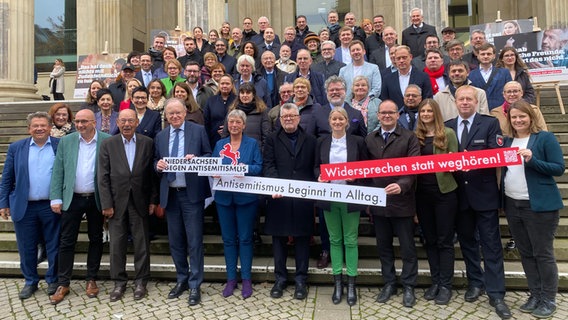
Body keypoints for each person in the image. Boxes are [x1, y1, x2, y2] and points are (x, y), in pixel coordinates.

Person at [445, 85, 512, 320]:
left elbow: (497, 154)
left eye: (468, 99)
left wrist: (469, 160)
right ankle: (476, 282)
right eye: (461, 99)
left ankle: (496, 293)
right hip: (459, 197)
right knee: (467, 243)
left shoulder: (490, 123)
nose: (464, 102)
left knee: (491, 245)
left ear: (476, 102)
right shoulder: (448, 126)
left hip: (484, 195)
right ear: (455, 102)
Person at [502, 100, 564, 318]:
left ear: (531, 117)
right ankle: (535, 294)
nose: (518, 120)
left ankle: (548, 298)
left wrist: (532, 159)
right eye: (514, 117)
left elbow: (558, 168)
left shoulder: (544, 138)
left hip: (539, 206)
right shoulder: (507, 141)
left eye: (522, 116)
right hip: (512, 203)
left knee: (543, 253)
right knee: (527, 253)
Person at [47, 109, 110, 305]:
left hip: (96, 199)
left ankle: (91, 278)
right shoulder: (67, 141)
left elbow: (111, 172)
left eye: (84, 122)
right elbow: (58, 170)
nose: (80, 125)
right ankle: (63, 282)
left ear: (94, 122)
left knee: (96, 238)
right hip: (71, 198)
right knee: (66, 241)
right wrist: (55, 197)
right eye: (78, 122)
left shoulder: (107, 140)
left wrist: (110, 201)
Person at [154, 98, 211, 306]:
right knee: (175, 241)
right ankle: (182, 279)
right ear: (166, 116)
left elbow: (209, 154)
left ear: (185, 112)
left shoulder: (198, 131)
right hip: (170, 195)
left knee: (194, 241)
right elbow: (155, 161)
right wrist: (158, 165)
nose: (175, 116)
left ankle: (195, 284)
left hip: (191, 194)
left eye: (178, 113)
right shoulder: (160, 136)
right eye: (171, 114)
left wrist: (197, 160)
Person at [98, 109, 158, 302]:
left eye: (130, 121)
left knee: (142, 244)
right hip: (115, 203)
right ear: (118, 122)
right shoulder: (108, 143)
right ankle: (119, 282)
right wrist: (106, 204)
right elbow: (103, 177)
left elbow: (152, 176)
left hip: (140, 201)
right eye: (122, 120)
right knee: (117, 245)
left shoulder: (147, 143)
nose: (126, 124)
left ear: (137, 122)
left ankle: (141, 282)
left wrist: (152, 200)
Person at [0, 112, 61, 300]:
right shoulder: (17, 147)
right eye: (35, 126)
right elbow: (7, 177)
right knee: (26, 246)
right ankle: (30, 281)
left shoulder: (60, 146)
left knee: (54, 245)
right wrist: (3, 202)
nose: (40, 128)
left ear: (50, 127)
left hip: (51, 206)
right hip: (24, 206)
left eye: (43, 125)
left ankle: (52, 280)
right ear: (29, 129)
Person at [365, 100, 420, 308]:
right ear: (378, 116)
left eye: (391, 113)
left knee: (407, 247)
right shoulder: (370, 138)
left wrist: (402, 184)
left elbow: (414, 167)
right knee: (384, 247)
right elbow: (363, 170)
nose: (387, 116)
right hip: (378, 204)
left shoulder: (409, 137)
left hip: (402, 202)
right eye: (383, 113)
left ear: (398, 115)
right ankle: (389, 283)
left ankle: (408, 285)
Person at [314, 107, 368, 306]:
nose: (337, 122)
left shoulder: (357, 142)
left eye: (341, 119)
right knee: (334, 240)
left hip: (350, 196)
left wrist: (357, 175)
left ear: (347, 121)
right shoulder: (321, 142)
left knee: (351, 240)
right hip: (329, 197)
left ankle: (351, 283)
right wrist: (318, 177)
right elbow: (314, 167)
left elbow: (366, 167)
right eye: (334, 119)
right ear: (329, 122)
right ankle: (338, 283)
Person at [263, 103, 317, 300]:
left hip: (303, 198)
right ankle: (280, 278)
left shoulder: (311, 140)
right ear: (280, 119)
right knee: (279, 240)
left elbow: (314, 167)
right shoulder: (271, 139)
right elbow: (268, 164)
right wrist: (276, 186)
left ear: (298, 118)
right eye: (284, 117)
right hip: (279, 198)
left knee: (302, 238)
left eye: (292, 116)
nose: (288, 119)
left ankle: (301, 279)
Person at [213, 109, 263, 299]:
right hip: (224, 198)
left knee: (245, 238)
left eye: (237, 122)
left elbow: (258, 166)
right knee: (228, 239)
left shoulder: (252, 144)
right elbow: (212, 164)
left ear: (243, 125)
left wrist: (244, 169)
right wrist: (212, 170)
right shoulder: (220, 144)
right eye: (231, 122)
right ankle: (231, 278)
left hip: (245, 198)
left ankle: (247, 279)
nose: (234, 125)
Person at [414, 99, 458, 305]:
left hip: (444, 194)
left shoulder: (447, 134)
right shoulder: (416, 137)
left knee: (444, 241)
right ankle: (435, 281)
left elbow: (456, 163)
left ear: (436, 112)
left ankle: (446, 285)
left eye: (429, 110)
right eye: (422, 111)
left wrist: (454, 160)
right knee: (429, 240)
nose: (425, 114)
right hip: (422, 195)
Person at [380, 45, 433, 109]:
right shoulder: (387, 79)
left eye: (404, 57)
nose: (401, 61)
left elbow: (427, 100)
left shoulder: (423, 77)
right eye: (398, 58)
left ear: (410, 57)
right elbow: (385, 101)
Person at [468, 43, 513, 110]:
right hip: (480, 112)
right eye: (483, 54)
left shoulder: (504, 73)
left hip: (501, 112)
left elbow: (510, 92)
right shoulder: (471, 74)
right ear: (478, 56)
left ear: (494, 56)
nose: (486, 56)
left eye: (489, 54)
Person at [225, 82, 270, 148]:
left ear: (253, 95)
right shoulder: (232, 110)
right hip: (235, 152)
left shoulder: (262, 111)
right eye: (242, 93)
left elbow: (266, 136)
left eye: (248, 93)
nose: (245, 95)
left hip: (255, 151)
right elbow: (225, 134)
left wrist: (261, 153)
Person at [204, 74, 237, 148]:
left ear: (232, 85)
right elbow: (206, 122)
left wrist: (226, 129)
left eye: (227, 84)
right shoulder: (211, 101)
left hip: (234, 139)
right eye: (222, 83)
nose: (224, 86)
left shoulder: (237, 100)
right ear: (219, 85)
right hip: (214, 140)